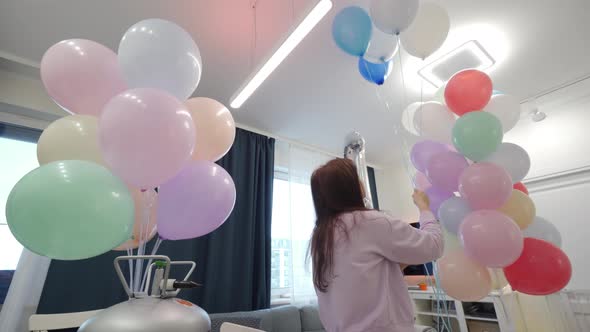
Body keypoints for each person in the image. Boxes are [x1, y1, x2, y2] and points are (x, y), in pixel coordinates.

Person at [310, 158, 443, 332]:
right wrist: (425, 208)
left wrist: (397, 263)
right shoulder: (369, 221)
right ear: (349, 188)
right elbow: (434, 245)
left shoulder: (320, 237)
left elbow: (362, 274)